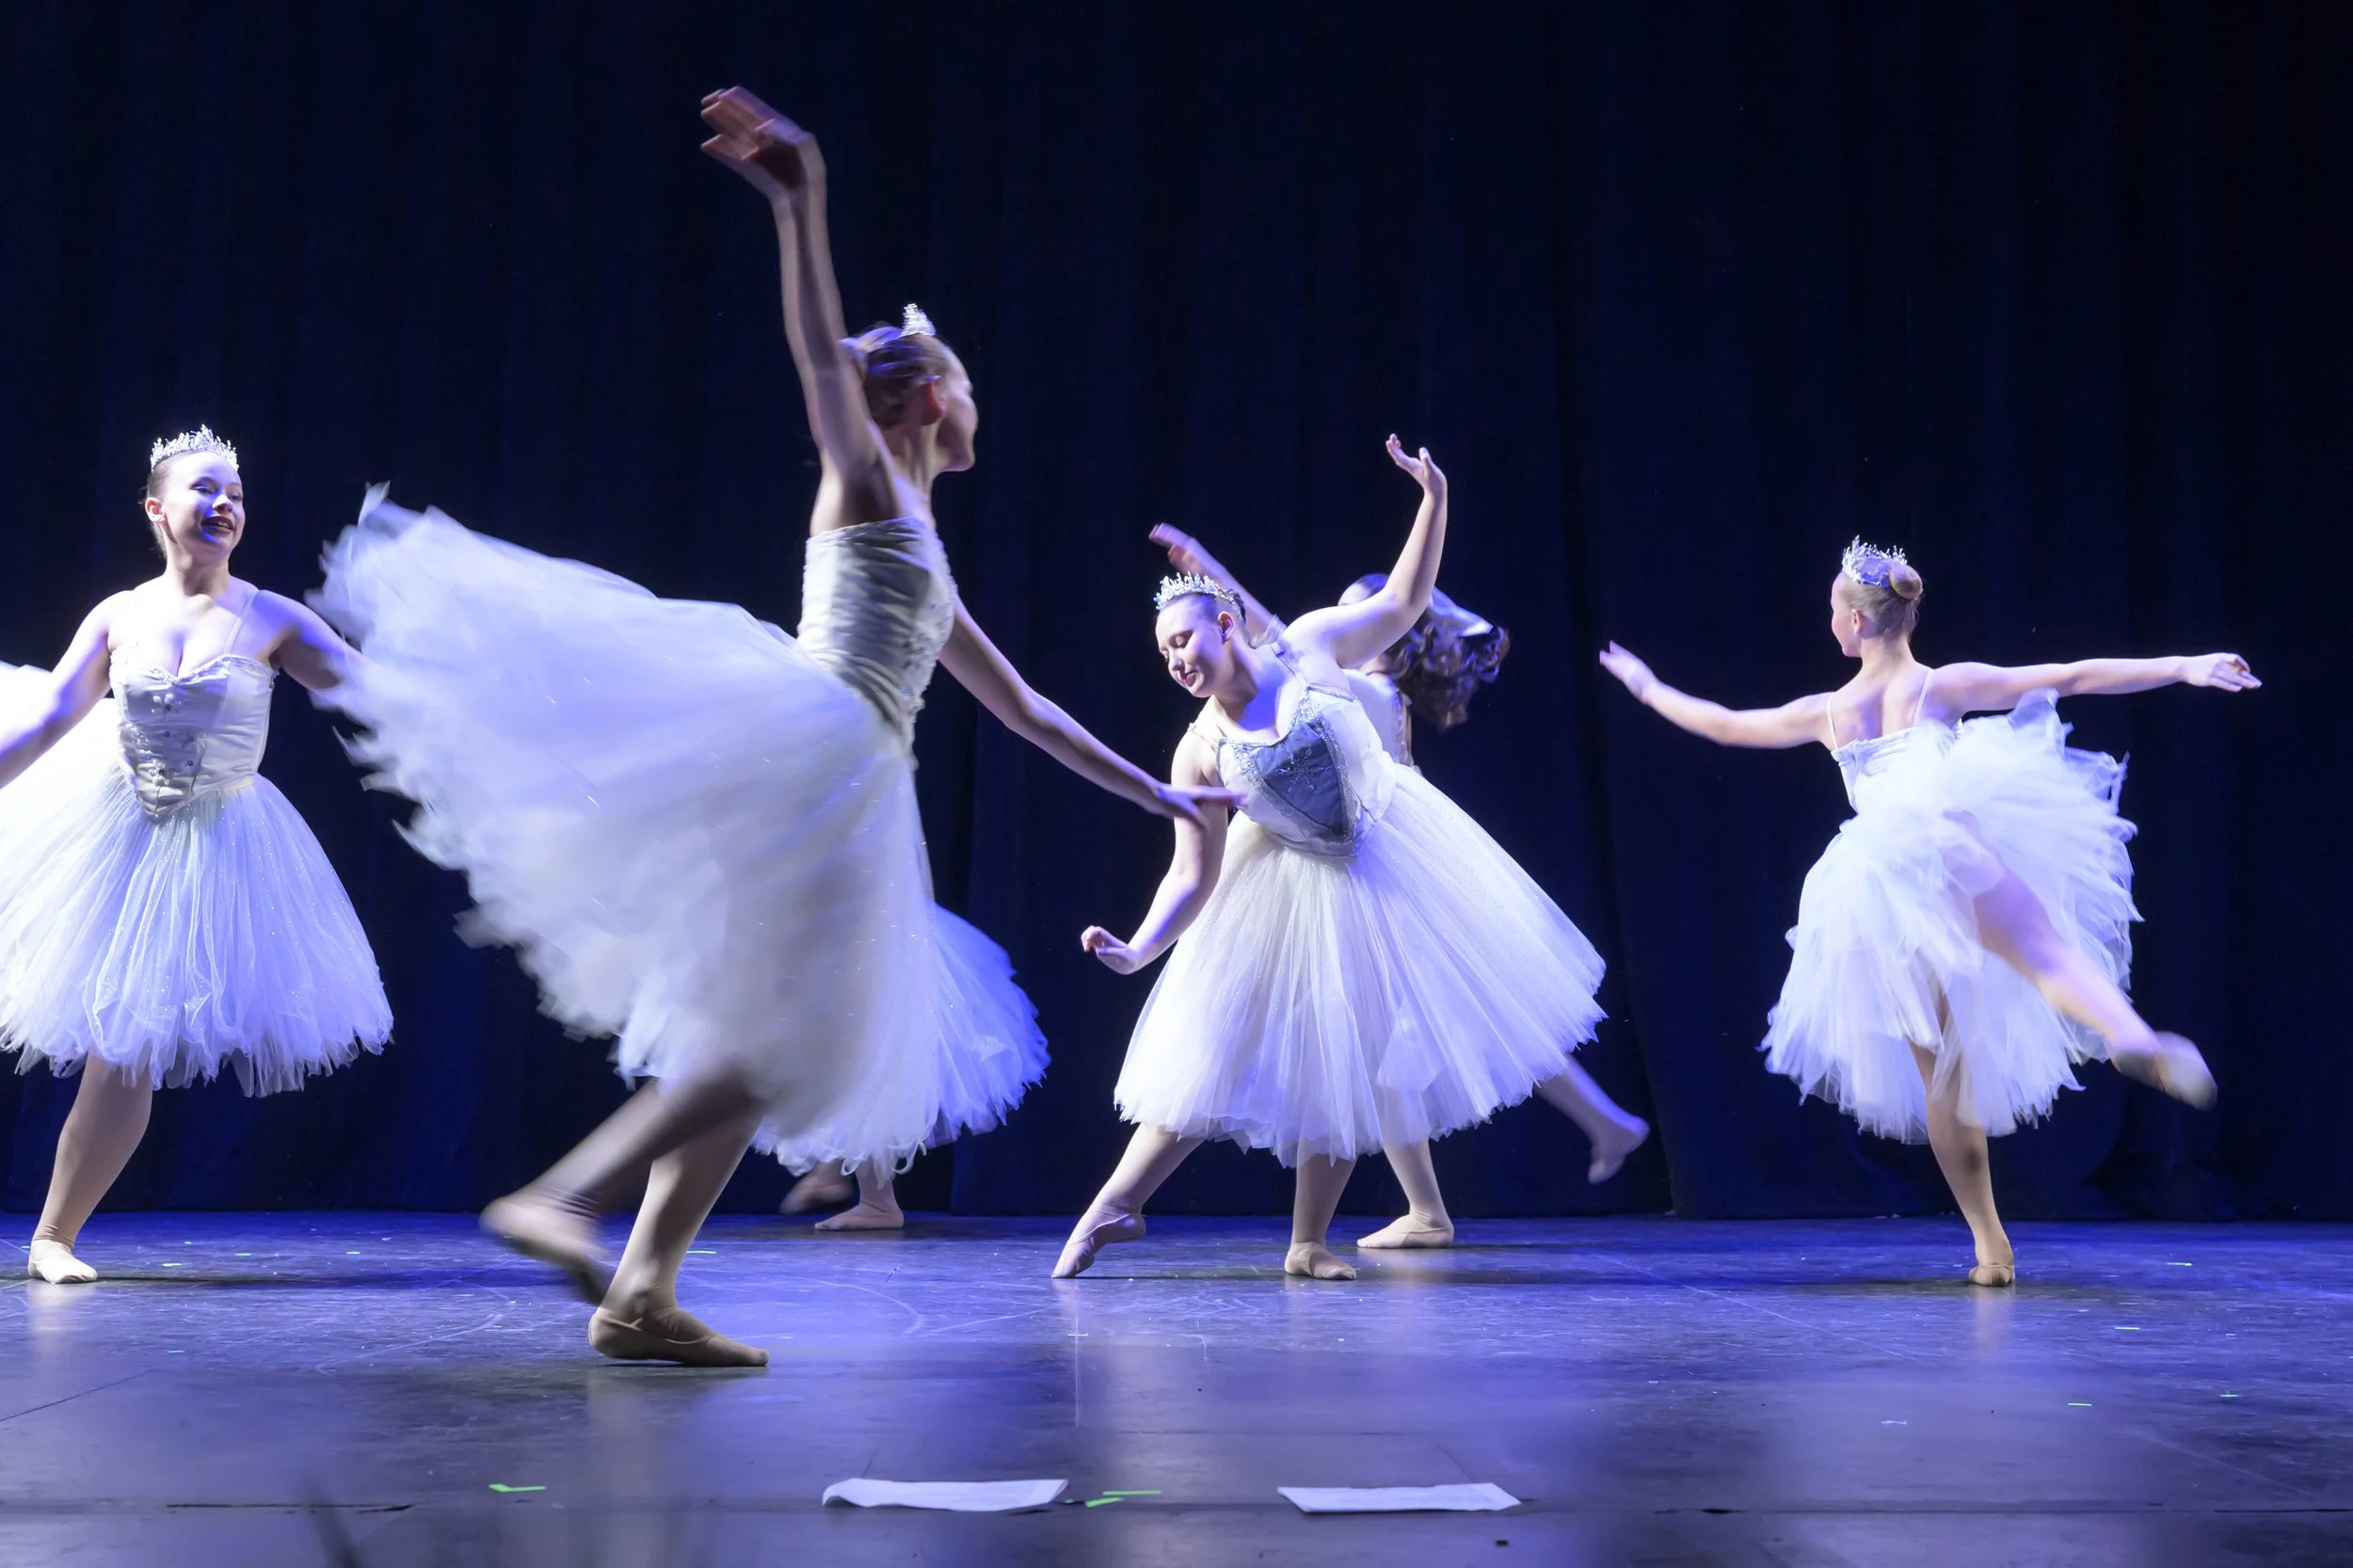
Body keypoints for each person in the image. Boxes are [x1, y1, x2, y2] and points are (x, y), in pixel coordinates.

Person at [312, 88, 1235, 1365]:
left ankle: (641, 1292)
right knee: (783, 1043)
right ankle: (562, 1198)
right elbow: (817, 360)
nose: (980, 404)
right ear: (926, 401)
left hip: (845, 768)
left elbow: (1023, 706)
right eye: (967, 387)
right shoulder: (865, 480)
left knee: (754, 1037)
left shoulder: (925, 543)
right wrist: (803, 203)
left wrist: (1155, 793)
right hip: (814, 755)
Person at [1597, 538, 2257, 1284]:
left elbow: (1722, 722)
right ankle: (2132, 1036)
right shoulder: (1942, 687)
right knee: (2048, 956)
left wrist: (1647, 686)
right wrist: (2184, 665)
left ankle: (1990, 1248)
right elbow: (2069, 675)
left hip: (1876, 888)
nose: (1830, 620)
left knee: (1947, 1077)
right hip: (1951, 845)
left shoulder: (1829, 712)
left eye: (1833, 610)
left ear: (1856, 623)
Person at [1058, 440, 1611, 1281]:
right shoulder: (1198, 750)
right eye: (1164, 652)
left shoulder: (1311, 648)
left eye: (1183, 640)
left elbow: (1403, 598)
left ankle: (1308, 1242)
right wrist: (1138, 949)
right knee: (1211, 1050)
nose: (1175, 661)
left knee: (1346, 1065)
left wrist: (1433, 498)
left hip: (1394, 860)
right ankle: (1116, 1205)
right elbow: (1190, 873)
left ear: (1226, 624)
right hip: (1287, 889)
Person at [1144, 525, 1648, 1247]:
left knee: (1450, 1027)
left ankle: (1555, 1145)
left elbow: (1273, 640)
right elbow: (1267, 644)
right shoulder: (1349, 683)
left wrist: (1216, 578)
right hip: (1369, 870)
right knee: (1400, 1053)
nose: (1341, 621)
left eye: (1355, 612)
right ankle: (1440, 1204)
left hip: (1384, 875)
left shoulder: (1359, 687)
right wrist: (1212, 579)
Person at [0, 426, 390, 1284]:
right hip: (113, 832)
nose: (224, 506)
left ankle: (53, 1236)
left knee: (127, 1046)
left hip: (219, 843)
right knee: (113, 1043)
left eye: (236, 496)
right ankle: (52, 1239)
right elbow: (50, 715)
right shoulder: (119, 614)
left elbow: (369, 687)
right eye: (205, 490)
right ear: (156, 508)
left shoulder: (270, 616)